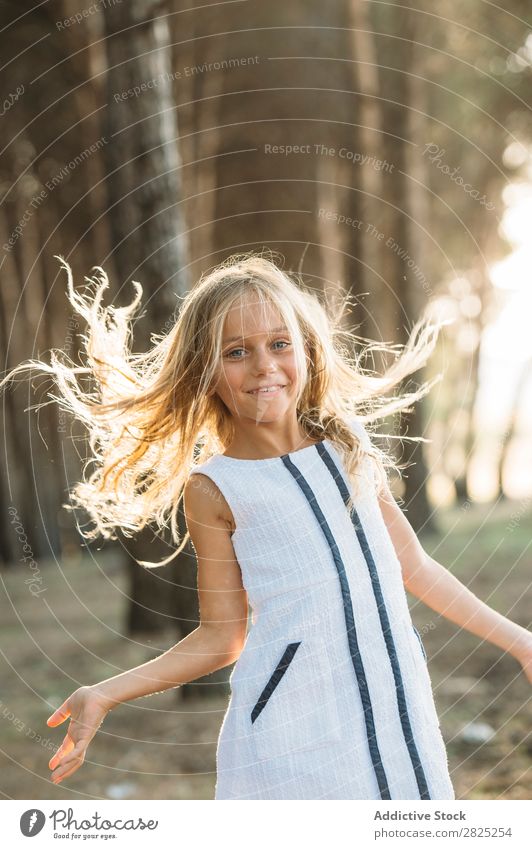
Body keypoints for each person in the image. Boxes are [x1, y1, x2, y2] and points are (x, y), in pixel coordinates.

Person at [3, 252, 531, 799]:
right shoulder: (214, 488)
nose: (263, 366)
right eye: (236, 352)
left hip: (399, 706)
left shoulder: (348, 447)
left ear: (306, 348)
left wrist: (523, 644)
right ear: (205, 373)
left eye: (279, 343)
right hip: (292, 735)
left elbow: (413, 566)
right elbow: (220, 637)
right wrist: (105, 693)